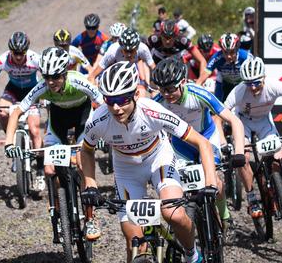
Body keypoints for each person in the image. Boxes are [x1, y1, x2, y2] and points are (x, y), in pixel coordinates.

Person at [78, 62, 218, 262]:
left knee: (174, 214)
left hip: (158, 159)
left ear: (136, 94)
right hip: (126, 169)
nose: (116, 108)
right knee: (134, 242)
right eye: (110, 100)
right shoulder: (98, 120)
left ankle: (192, 254)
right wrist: (91, 184)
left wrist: (210, 183)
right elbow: (86, 151)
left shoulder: (152, 111)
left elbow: (202, 142)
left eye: (122, 99)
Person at [3, 47, 104, 240]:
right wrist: (9, 144)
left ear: (65, 73)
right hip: (58, 121)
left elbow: (103, 104)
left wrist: (102, 134)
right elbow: (16, 112)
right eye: (47, 77)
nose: (50, 82)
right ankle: (58, 210)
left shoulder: (78, 81)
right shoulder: (42, 87)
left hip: (83, 119)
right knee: (50, 170)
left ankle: (91, 218)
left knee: (82, 164)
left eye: (56, 77)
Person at [151, 58, 247, 231]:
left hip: (207, 138)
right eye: (162, 89)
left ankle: (225, 215)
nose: (167, 94)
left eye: (171, 89)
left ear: (183, 82)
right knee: (181, 186)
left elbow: (234, 120)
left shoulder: (198, 93)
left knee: (215, 181)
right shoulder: (158, 102)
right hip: (182, 145)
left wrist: (239, 152)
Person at [224, 57, 282, 219]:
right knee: (243, 157)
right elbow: (219, 115)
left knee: (277, 158)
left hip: (264, 121)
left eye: (257, 82)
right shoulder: (238, 91)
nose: (253, 87)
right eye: (248, 83)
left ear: (264, 77)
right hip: (243, 122)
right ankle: (251, 197)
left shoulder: (274, 85)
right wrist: (223, 141)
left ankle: (274, 185)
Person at [0, 32, 44, 189]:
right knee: (2, 113)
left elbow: (47, 76)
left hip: (31, 92)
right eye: (16, 53)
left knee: (35, 131)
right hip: (13, 90)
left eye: (22, 53)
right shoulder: (3, 59)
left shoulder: (35, 58)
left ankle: (40, 171)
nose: (19, 56)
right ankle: (14, 140)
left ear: (26, 51)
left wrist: (45, 96)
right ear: (10, 51)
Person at [88, 27, 155, 89]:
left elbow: (154, 68)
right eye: (126, 51)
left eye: (131, 51)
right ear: (120, 47)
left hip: (132, 73)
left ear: (137, 48)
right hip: (114, 74)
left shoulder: (143, 49)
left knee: (143, 90)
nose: (129, 54)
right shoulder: (113, 51)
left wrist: (154, 85)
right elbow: (92, 76)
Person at [146, 20, 209, 84]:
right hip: (157, 60)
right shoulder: (153, 39)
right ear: (160, 35)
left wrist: (200, 81)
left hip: (176, 61)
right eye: (164, 37)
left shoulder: (183, 41)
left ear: (176, 36)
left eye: (171, 37)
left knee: (179, 85)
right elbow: (142, 56)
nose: (167, 41)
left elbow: (202, 60)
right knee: (154, 85)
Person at [206, 33, 253, 101]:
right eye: (225, 52)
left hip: (242, 83)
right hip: (225, 84)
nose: (229, 56)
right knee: (218, 98)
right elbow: (206, 72)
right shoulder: (217, 57)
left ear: (237, 49)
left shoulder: (245, 56)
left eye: (232, 52)